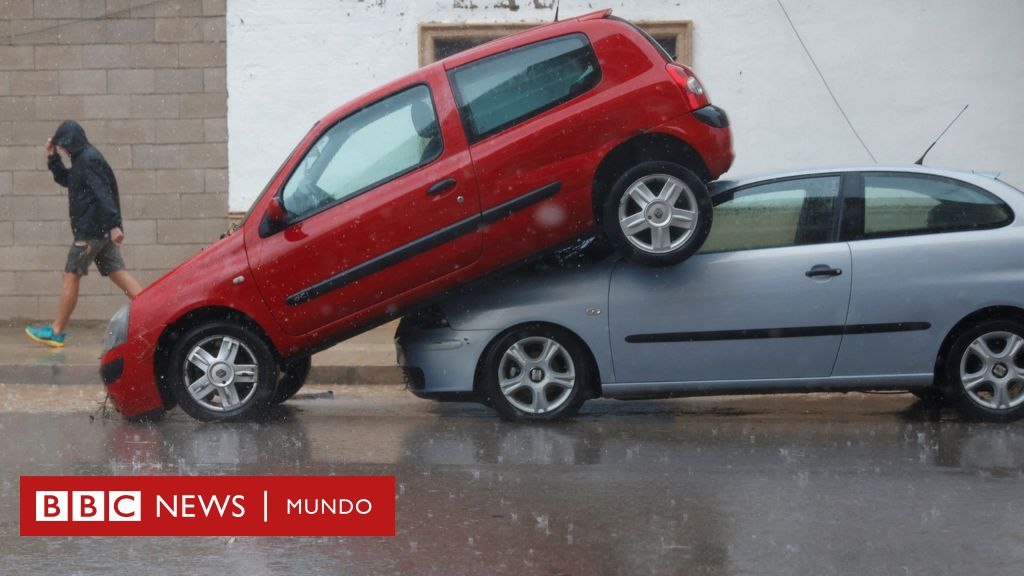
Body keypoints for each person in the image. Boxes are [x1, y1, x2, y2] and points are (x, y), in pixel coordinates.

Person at [24, 120, 143, 348]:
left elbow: (104, 193)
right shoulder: (83, 159)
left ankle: (56, 331)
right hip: (98, 231)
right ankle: (155, 312)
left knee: (71, 275)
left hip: (90, 233)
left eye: (64, 146)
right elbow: (67, 180)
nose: (64, 150)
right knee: (118, 273)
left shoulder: (88, 160)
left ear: (72, 141)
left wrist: (114, 225)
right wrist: (53, 158)